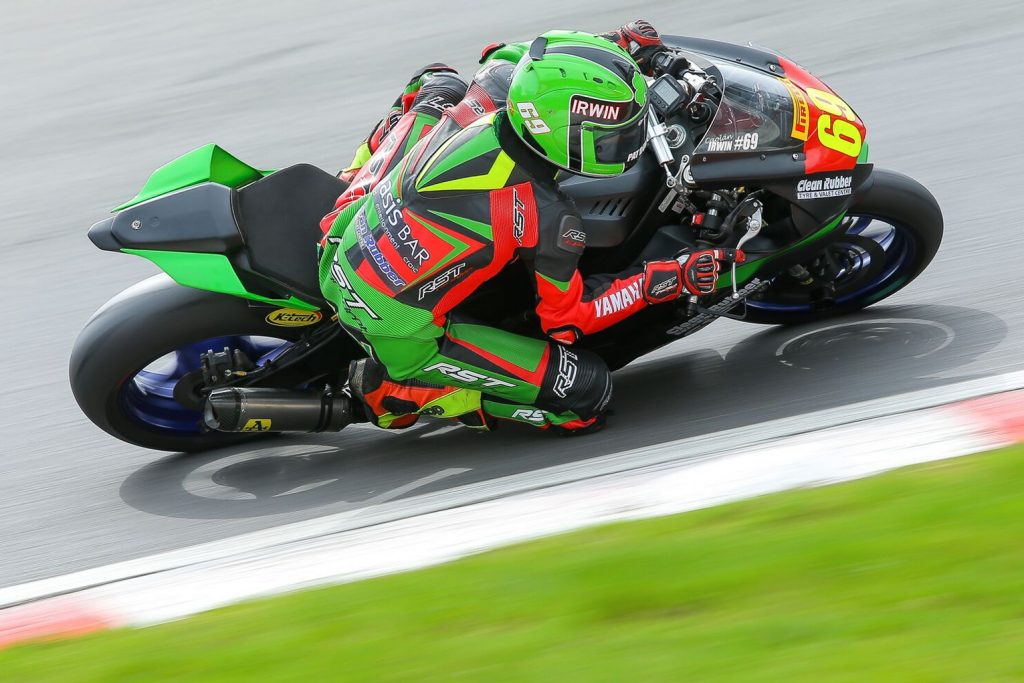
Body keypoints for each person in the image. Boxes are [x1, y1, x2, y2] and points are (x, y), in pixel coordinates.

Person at [318, 23, 742, 435]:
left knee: (439, 85)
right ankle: (395, 391)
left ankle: (354, 171)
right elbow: (567, 321)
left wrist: (619, 47)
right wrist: (671, 276)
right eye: (613, 137)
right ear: (562, 134)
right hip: (395, 329)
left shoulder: (501, 83)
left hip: (338, 232)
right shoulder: (548, 216)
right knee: (584, 393)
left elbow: (525, 54)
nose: (628, 143)